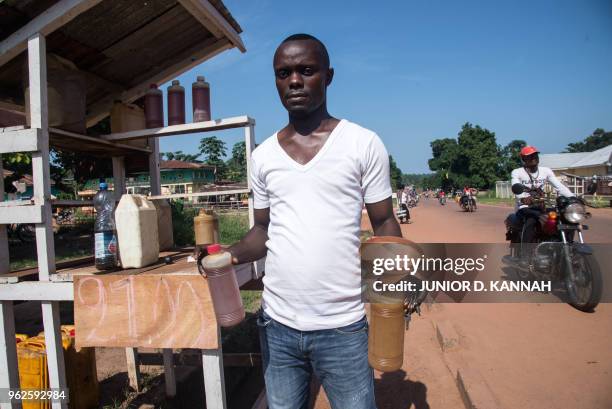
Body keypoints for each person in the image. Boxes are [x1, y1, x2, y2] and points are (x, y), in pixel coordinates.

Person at [227, 33, 402, 409]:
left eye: (306, 70)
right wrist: (227, 255)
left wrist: (393, 281)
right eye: (283, 73)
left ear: (329, 75)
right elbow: (261, 231)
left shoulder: (362, 143)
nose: (294, 81)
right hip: (277, 326)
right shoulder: (263, 156)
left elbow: (384, 221)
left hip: (343, 326)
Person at [510, 145, 573, 250]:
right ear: (523, 159)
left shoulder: (546, 171)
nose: (533, 157)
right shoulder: (517, 172)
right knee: (531, 220)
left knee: (564, 217)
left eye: (535, 155)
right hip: (525, 207)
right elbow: (515, 185)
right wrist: (523, 198)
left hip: (542, 205)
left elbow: (559, 187)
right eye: (529, 156)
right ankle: (525, 255)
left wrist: (572, 197)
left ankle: (567, 247)